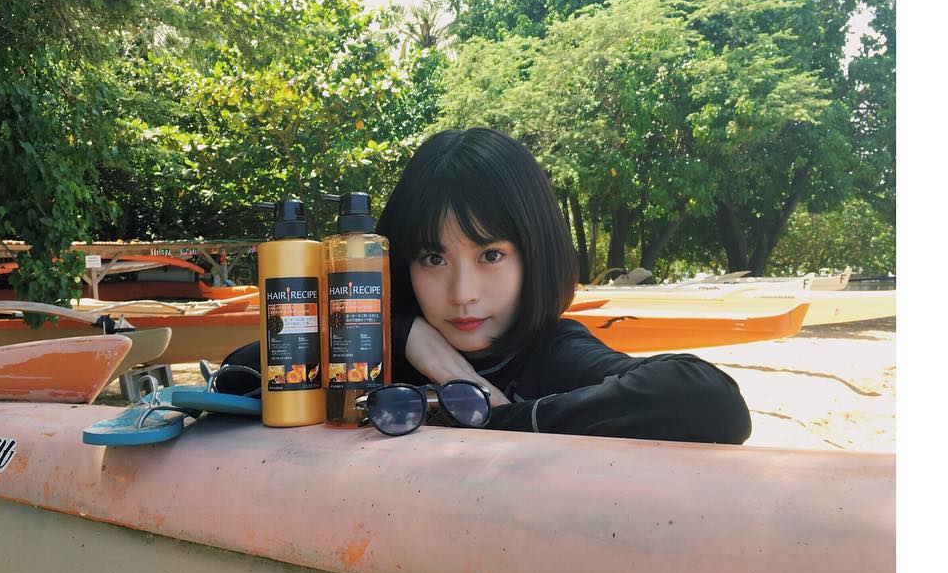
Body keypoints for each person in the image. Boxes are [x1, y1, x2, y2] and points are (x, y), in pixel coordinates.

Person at [223, 126, 751, 443]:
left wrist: (495, 416)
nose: (462, 293)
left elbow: (709, 402)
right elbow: (237, 373)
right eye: (434, 258)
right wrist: (404, 335)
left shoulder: (550, 354)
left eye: (491, 255)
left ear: (535, 253)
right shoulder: (372, 356)